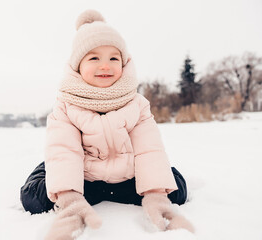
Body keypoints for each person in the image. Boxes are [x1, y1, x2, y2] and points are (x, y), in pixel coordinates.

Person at [20, 9, 194, 239]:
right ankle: (69, 189)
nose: (105, 66)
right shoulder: (66, 104)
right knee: (34, 197)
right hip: (82, 175)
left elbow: (148, 148)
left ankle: (121, 190)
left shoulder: (136, 103)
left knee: (175, 189)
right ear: (78, 66)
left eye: (114, 58)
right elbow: (64, 149)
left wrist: (155, 192)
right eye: (94, 58)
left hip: (125, 174)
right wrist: (69, 196)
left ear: (124, 64)